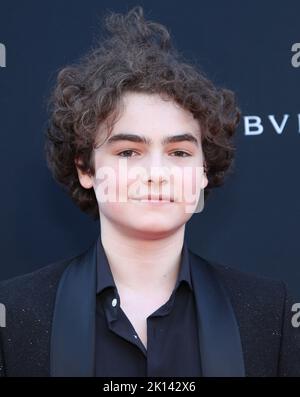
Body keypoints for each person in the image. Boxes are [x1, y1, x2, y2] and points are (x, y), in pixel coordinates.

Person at [0, 6, 299, 377]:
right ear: (85, 168)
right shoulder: (14, 312)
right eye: (128, 152)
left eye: (179, 152)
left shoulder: (269, 310)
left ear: (204, 170)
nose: (157, 173)